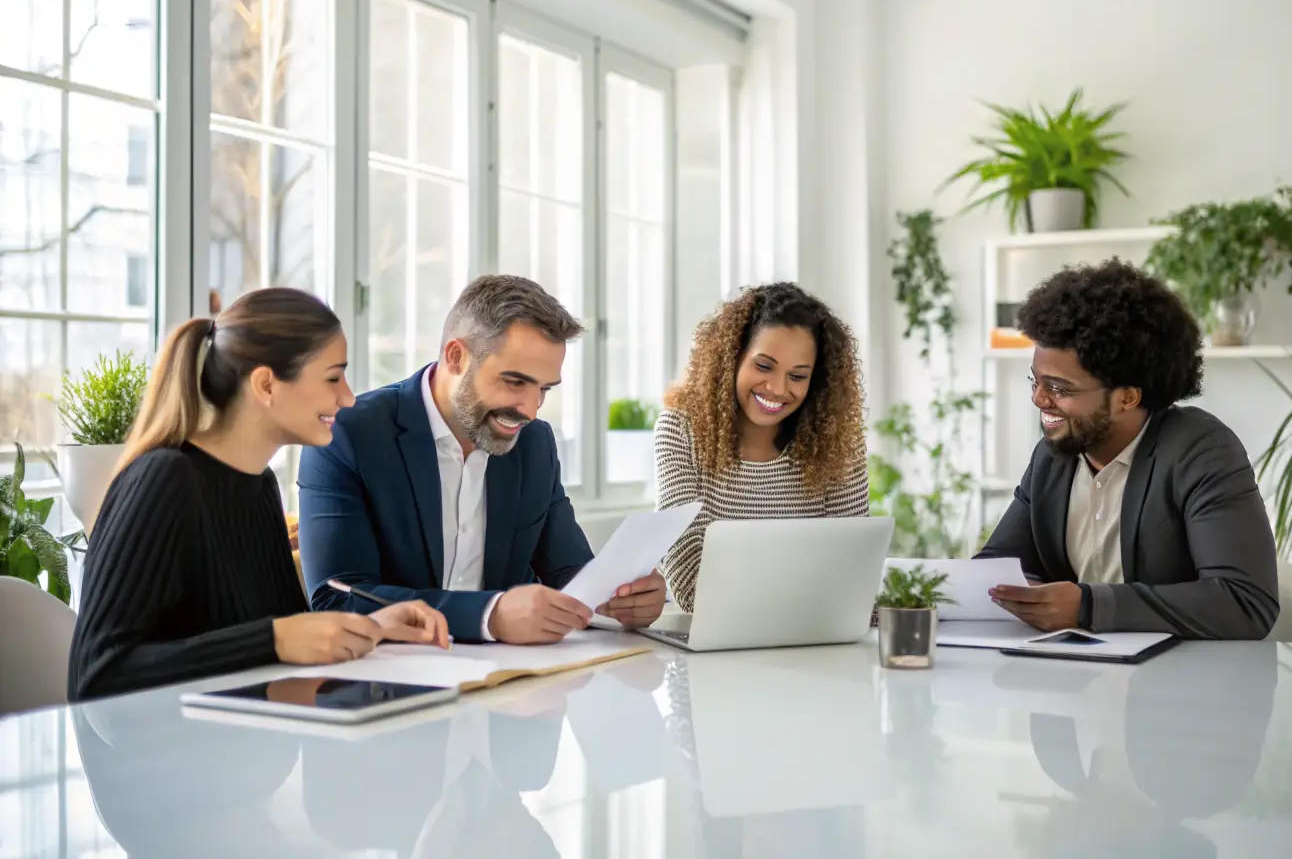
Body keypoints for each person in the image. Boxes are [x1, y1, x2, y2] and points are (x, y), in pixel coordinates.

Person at [68, 289, 448, 703]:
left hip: (243, 753)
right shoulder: (165, 479)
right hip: (163, 759)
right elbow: (99, 673)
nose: (348, 397)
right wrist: (273, 641)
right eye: (333, 377)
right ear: (266, 384)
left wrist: (374, 627)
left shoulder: (261, 485)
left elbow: (287, 634)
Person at [298, 275, 666, 644]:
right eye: (515, 382)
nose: (530, 411)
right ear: (456, 357)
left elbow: (569, 574)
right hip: (386, 680)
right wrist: (488, 616)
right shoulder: (348, 434)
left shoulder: (534, 443)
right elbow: (337, 597)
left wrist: (619, 600)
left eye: (544, 389)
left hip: (513, 682)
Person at [976, 259, 1279, 639]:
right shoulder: (1053, 458)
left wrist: (1089, 606)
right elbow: (994, 570)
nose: (1039, 399)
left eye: (1059, 388)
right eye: (1035, 381)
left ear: (1127, 397)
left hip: (1185, 685)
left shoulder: (1200, 452)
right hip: (1072, 685)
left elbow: (1245, 603)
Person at [656, 282, 870, 612]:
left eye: (798, 376)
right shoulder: (680, 430)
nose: (777, 389)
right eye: (764, 366)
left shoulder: (838, 444)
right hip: (716, 649)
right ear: (732, 358)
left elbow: (855, 579)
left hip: (816, 644)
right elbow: (689, 584)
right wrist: (812, 595)